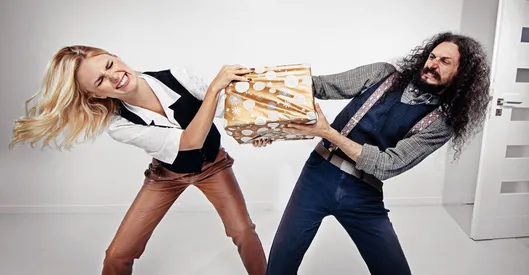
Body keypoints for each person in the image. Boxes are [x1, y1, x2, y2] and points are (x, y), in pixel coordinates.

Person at [9, 46, 268, 275]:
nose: (114, 77)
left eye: (110, 65)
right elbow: (191, 141)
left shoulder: (178, 77)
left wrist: (260, 130)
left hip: (213, 166)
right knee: (117, 255)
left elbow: (229, 110)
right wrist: (214, 88)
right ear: (95, 95)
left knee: (243, 231)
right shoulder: (119, 125)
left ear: (115, 56)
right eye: (100, 81)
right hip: (166, 176)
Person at [255, 32, 492, 274]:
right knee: (281, 263)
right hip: (316, 177)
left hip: (362, 193)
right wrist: (264, 116)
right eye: (432, 56)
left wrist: (328, 132)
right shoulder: (382, 74)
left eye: (445, 61)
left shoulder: (440, 124)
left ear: (461, 75)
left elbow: (387, 165)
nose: (432, 65)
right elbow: (319, 86)